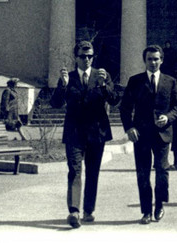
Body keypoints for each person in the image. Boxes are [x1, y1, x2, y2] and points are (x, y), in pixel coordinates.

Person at [50, 41, 120, 228]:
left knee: (92, 172)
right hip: (74, 132)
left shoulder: (101, 75)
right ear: (76, 57)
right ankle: (74, 211)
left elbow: (114, 101)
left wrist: (105, 86)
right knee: (74, 170)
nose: (87, 59)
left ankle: (88, 209)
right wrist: (62, 86)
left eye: (90, 56)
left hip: (97, 132)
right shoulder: (69, 77)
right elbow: (55, 103)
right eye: (83, 56)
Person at [119, 44, 177, 225]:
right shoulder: (135, 81)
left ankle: (160, 204)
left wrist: (168, 118)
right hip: (141, 135)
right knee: (143, 174)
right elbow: (125, 107)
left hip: (162, 135)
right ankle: (146, 210)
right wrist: (129, 128)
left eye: (156, 59)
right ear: (144, 61)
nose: (153, 62)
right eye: (149, 59)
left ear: (161, 60)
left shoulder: (170, 81)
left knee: (162, 171)